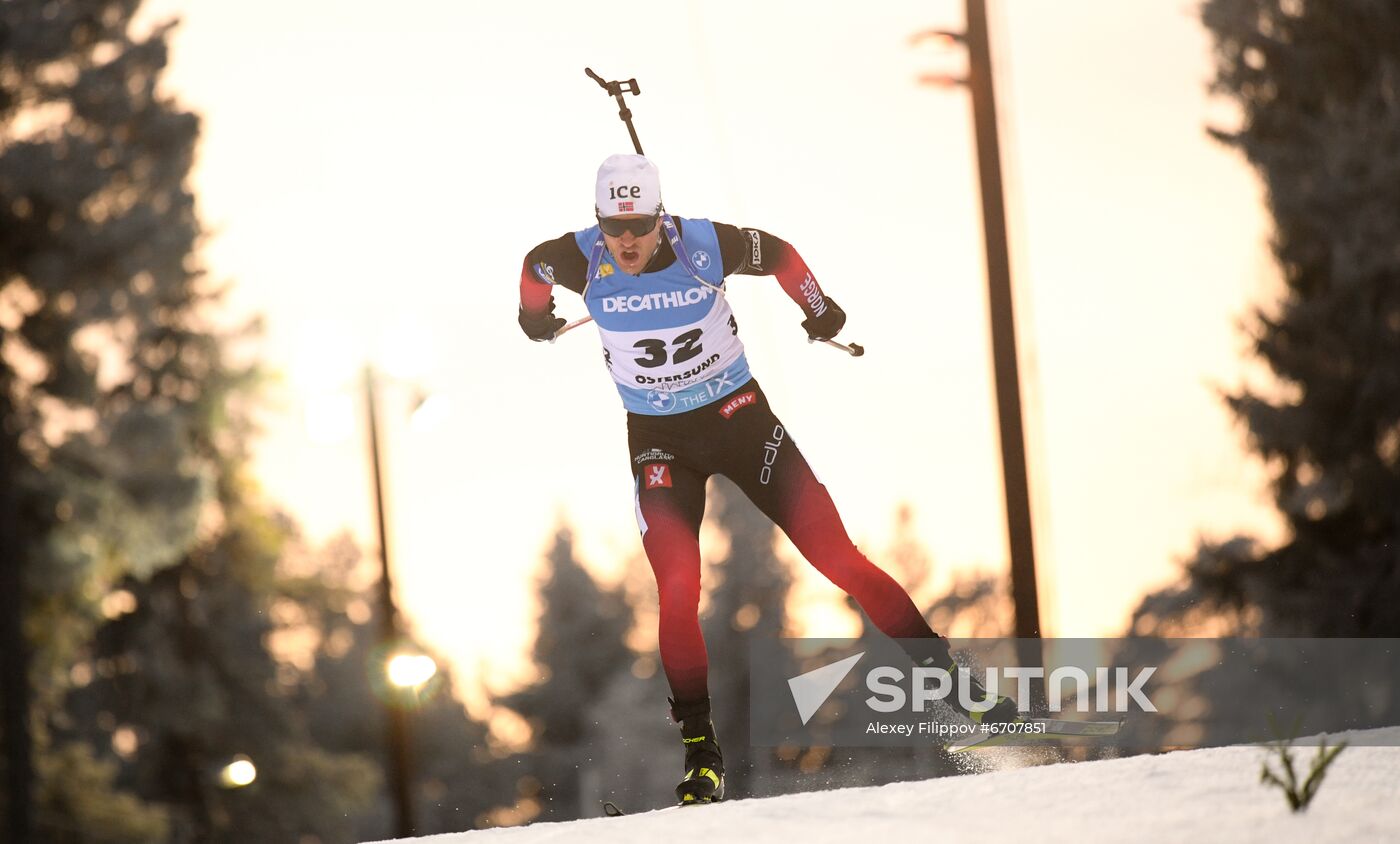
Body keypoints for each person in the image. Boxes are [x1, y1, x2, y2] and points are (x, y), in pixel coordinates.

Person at [517, 153, 1016, 805]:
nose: (629, 241)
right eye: (616, 227)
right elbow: (533, 267)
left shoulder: (703, 244)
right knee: (677, 587)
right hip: (661, 443)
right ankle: (702, 754)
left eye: (640, 224)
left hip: (740, 421)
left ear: (661, 217)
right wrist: (535, 318)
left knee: (838, 558)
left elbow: (780, 254)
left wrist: (819, 309)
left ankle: (956, 688)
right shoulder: (581, 258)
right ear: (599, 223)